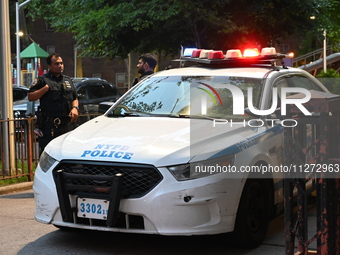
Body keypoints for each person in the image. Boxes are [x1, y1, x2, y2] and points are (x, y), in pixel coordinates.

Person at [28, 53, 79, 154]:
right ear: (49, 66)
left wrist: (75, 108)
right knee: (49, 151)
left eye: (61, 63)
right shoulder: (43, 80)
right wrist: (45, 89)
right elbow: (31, 97)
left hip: (67, 123)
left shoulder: (67, 80)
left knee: (67, 151)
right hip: (50, 124)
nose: (60, 66)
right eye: (56, 64)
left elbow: (74, 97)